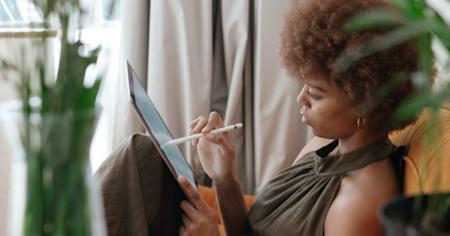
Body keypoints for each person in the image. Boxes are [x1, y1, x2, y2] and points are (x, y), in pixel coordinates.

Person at [96, 0, 421, 235]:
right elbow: (251, 231)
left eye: (316, 94)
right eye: (303, 86)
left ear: (365, 102)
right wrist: (224, 177)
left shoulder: (359, 204)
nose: (300, 99)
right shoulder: (322, 145)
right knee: (142, 155)